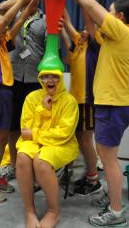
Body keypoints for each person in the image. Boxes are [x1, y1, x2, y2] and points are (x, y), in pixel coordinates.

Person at [65, 0, 129, 227]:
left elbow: (93, 7)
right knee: (109, 157)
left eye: (110, 12)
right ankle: (112, 199)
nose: (106, 15)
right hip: (115, 105)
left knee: (109, 160)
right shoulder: (116, 37)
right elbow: (91, 18)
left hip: (114, 106)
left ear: (119, 17)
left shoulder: (122, 32)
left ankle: (116, 212)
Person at [0, 0, 40, 203]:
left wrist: (28, 6)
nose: (4, 26)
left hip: (6, 92)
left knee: (3, 138)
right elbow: (7, 22)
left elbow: (17, 21)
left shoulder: (3, 43)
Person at [16, 69, 79, 228]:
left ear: (60, 78)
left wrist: (36, 135)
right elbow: (25, 129)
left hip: (61, 143)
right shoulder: (32, 98)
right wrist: (43, 111)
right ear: (40, 78)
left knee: (41, 162)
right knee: (23, 157)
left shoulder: (69, 101)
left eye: (54, 76)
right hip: (35, 140)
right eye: (45, 76)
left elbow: (63, 133)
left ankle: (53, 211)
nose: (50, 80)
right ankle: (29, 211)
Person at [0, 0, 47, 180]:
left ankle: (34, 165)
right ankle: (13, 164)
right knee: (13, 124)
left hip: (37, 78)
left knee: (36, 125)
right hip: (15, 76)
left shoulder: (46, 18)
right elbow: (1, 6)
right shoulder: (14, 14)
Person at [60, 0, 102, 196]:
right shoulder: (81, 42)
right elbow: (69, 54)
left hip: (87, 99)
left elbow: (87, 16)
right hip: (75, 99)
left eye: (88, 28)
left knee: (86, 139)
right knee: (79, 138)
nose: (84, 30)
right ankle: (85, 173)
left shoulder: (95, 44)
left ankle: (93, 179)